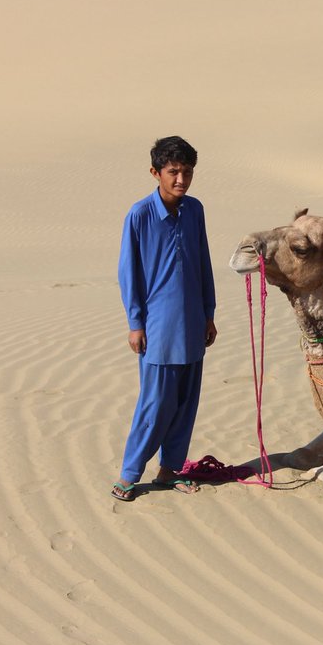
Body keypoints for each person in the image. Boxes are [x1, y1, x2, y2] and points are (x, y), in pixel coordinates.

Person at [112, 136, 216, 501]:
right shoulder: (139, 215)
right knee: (155, 404)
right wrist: (136, 323)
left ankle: (170, 470)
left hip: (193, 324)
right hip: (157, 328)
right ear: (156, 172)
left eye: (187, 172)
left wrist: (209, 313)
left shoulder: (195, 210)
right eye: (173, 172)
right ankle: (129, 473)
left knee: (187, 402)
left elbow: (203, 262)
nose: (181, 180)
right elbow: (129, 274)